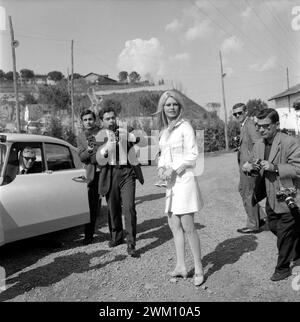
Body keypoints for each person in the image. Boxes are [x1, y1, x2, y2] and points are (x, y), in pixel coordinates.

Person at [243, 108, 300, 281]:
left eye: (266, 126)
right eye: (259, 126)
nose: (261, 130)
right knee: (274, 227)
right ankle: (297, 251)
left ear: (276, 124)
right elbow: (254, 165)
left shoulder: (290, 142)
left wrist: (275, 167)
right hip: (270, 197)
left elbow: (298, 168)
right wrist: (249, 168)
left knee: (284, 234)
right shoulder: (259, 144)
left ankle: (282, 268)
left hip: (290, 196)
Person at [154, 89, 204, 286]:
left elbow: (193, 154)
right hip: (171, 184)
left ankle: (199, 268)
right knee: (173, 224)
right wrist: (161, 169)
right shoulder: (164, 131)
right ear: (163, 108)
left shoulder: (186, 127)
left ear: (180, 106)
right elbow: (163, 156)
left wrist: (174, 169)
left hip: (185, 181)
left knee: (188, 226)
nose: (171, 108)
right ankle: (182, 266)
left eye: (174, 104)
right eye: (168, 105)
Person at [95, 106, 145, 257]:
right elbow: (96, 158)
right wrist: (105, 149)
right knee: (113, 208)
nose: (111, 120)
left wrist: (135, 145)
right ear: (101, 121)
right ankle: (116, 237)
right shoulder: (98, 136)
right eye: (107, 118)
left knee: (129, 207)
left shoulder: (125, 130)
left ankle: (131, 243)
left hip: (127, 172)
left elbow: (139, 139)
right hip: (110, 172)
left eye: (113, 117)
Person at [232, 103, 266, 234]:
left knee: (248, 193)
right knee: (243, 190)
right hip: (245, 167)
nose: (237, 116)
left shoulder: (250, 124)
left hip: (249, 167)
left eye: (240, 113)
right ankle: (260, 217)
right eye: (235, 114)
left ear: (245, 112)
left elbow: (258, 143)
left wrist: (251, 162)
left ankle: (253, 225)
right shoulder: (244, 125)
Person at [77, 109, 102, 245]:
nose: (88, 122)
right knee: (91, 207)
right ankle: (89, 236)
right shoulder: (81, 137)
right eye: (85, 120)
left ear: (95, 120)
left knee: (112, 204)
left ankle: (116, 235)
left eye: (90, 119)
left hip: (106, 173)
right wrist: (90, 150)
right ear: (82, 122)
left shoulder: (103, 132)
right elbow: (81, 156)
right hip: (92, 175)